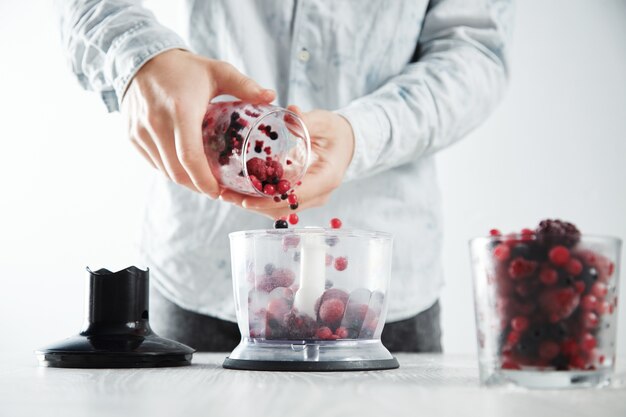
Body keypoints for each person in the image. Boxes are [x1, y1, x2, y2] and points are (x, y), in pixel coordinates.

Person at [57, 0, 513, 352]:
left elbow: (474, 49)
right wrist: (138, 57)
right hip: (203, 274)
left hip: (374, 293)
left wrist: (361, 134)